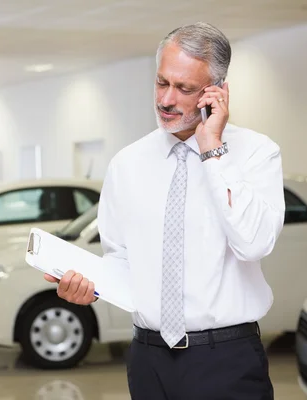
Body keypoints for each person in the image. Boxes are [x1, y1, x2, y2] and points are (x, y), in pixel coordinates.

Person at [44, 22, 284, 399]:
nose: (166, 100)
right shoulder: (127, 164)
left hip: (227, 360)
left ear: (217, 92)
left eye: (185, 88)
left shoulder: (256, 153)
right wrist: (89, 288)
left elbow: (254, 244)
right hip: (148, 360)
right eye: (161, 82)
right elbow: (122, 259)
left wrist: (213, 150)